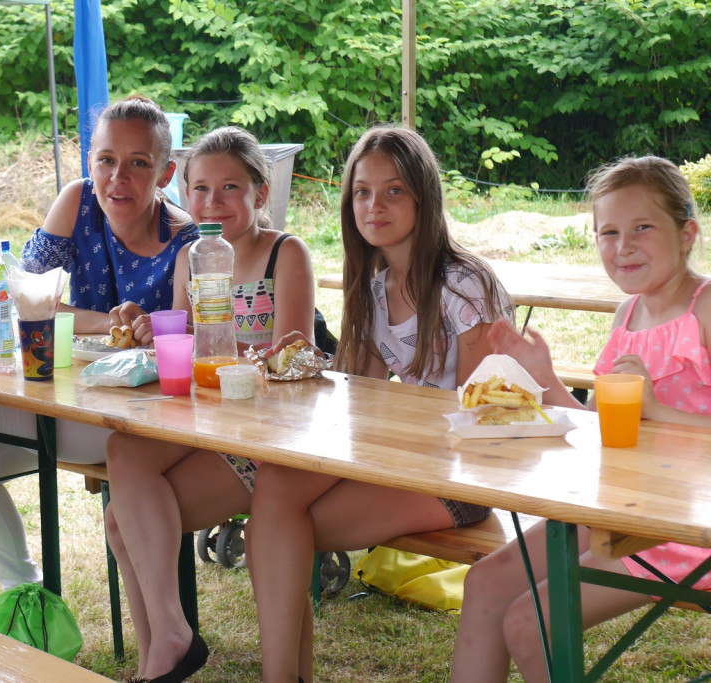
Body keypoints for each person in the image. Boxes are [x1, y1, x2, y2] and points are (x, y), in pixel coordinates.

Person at [244, 124, 515, 682]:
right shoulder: (371, 286)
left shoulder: (465, 286)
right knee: (273, 498)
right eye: (362, 192)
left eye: (394, 191)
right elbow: (355, 397)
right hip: (397, 458)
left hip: (462, 475)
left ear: (424, 195)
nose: (375, 205)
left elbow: (482, 418)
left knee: (279, 529)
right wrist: (296, 366)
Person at [0, 95, 198, 590]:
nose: (118, 178)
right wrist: (106, 320)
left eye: (138, 163)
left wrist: (150, 329)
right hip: (60, 396)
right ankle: (27, 596)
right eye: (106, 160)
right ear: (90, 161)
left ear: (166, 172)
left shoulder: (186, 239)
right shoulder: (78, 202)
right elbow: (18, 297)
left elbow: (193, 344)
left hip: (132, 425)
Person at [450, 155, 711, 682]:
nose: (624, 246)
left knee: (529, 623)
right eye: (608, 232)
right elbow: (599, 433)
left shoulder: (705, 308)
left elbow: (651, 420)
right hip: (621, 510)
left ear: (687, 233)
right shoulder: (627, 316)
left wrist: (658, 411)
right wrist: (543, 379)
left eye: (642, 227)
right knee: (485, 584)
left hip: (689, 524)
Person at [103, 125, 317, 683]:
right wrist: (158, 331)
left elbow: (298, 354)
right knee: (122, 456)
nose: (212, 202)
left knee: (123, 521)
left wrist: (231, 348)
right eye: (200, 189)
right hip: (207, 423)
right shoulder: (189, 258)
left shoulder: (284, 254)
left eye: (229, 188)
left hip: (270, 440)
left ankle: (165, 652)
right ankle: (165, 645)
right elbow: (190, 346)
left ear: (259, 194)